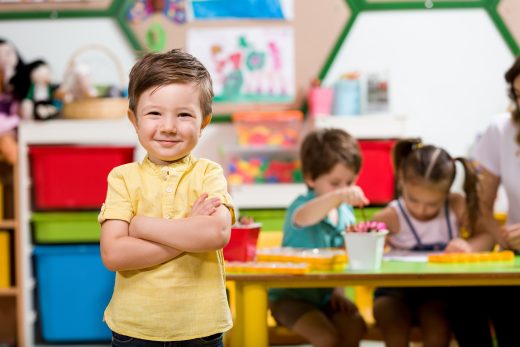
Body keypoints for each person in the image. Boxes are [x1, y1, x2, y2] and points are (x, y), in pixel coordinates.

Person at [98, 49, 235, 347]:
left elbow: (216, 232)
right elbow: (114, 254)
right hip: (135, 329)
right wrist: (188, 233)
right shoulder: (122, 178)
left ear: (204, 121)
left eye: (184, 114)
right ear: (134, 120)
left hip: (201, 328)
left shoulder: (209, 173)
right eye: (154, 113)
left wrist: (142, 226)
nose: (169, 126)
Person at [371, 139, 489, 347]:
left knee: (438, 330)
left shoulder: (455, 205)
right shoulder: (391, 215)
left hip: (438, 293)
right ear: (401, 183)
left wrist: (468, 246)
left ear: (446, 193)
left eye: (432, 204)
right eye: (413, 199)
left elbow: (487, 235)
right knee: (394, 331)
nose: (421, 210)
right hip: (393, 292)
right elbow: (357, 241)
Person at [268, 128, 368, 347]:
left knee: (355, 326)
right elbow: (305, 217)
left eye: (349, 183)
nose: (343, 189)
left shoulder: (345, 214)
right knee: (327, 338)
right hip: (289, 298)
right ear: (311, 178)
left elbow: (341, 256)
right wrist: (339, 196)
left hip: (324, 298)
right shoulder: (302, 206)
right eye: (335, 183)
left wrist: (339, 292)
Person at [451, 55, 520, 347]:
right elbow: (480, 207)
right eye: (518, 95)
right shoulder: (502, 130)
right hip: (515, 260)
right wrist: (501, 239)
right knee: (463, 298)